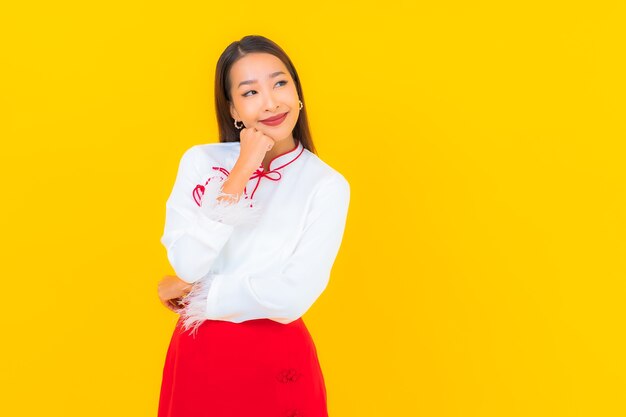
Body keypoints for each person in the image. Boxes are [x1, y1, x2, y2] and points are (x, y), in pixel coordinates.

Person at [156, 35, 350, 417]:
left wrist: (196, 293)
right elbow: (188, 264)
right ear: (233, 108)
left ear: (298, 94)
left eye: (280, 84)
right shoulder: (200, 161)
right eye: (250, 92)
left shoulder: (326, 185)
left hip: (276, 361)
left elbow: (292, 297)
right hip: (198, 354)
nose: (271, 101)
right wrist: (241, 171)